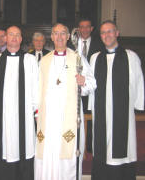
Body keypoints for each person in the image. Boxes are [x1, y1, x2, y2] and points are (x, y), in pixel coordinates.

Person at [35, 23, 96, 180]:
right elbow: (37, 88)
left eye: (63, 33)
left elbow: (92, 83)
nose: (60, 37)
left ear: (68, 37)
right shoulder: (45, 61)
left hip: (68, 118)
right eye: (56, 33)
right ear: (52, 37)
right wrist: (36, 111)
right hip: (48, 118)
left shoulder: (77, 57)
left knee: (67, 157)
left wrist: (84, 81)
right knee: (48, 154)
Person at [88, 20, 144, 180]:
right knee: (102, 148)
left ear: (117, 33)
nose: (107, 35)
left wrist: (137, 105)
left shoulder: (130, 56)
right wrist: (92, 106)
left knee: (121, 148)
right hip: (101, 112)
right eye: (103, 32)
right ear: (100, 36)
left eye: (110, 31)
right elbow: (92, 85)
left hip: (122, 113)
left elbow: (139, 82)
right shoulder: (95, 58)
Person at [0, 26, 38, 180]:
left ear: (21, 39)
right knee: (2, 147)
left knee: (22, 146)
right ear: (6, 38)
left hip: (24, 115)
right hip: (3, 114)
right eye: (11, 35)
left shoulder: (30, 60)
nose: (14, 38)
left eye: (17, 35)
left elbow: (36, 87)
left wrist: (35, 111)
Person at [78, 18, 104, 153]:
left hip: (93, 86)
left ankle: (89, 146)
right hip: (76, 87)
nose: (84, 29)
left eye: (87, 27)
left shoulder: (100, 44)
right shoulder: (72, 44)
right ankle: (78, 143)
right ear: (78, 29)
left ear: (92, 28)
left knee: (92, 116)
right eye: (82, 27)